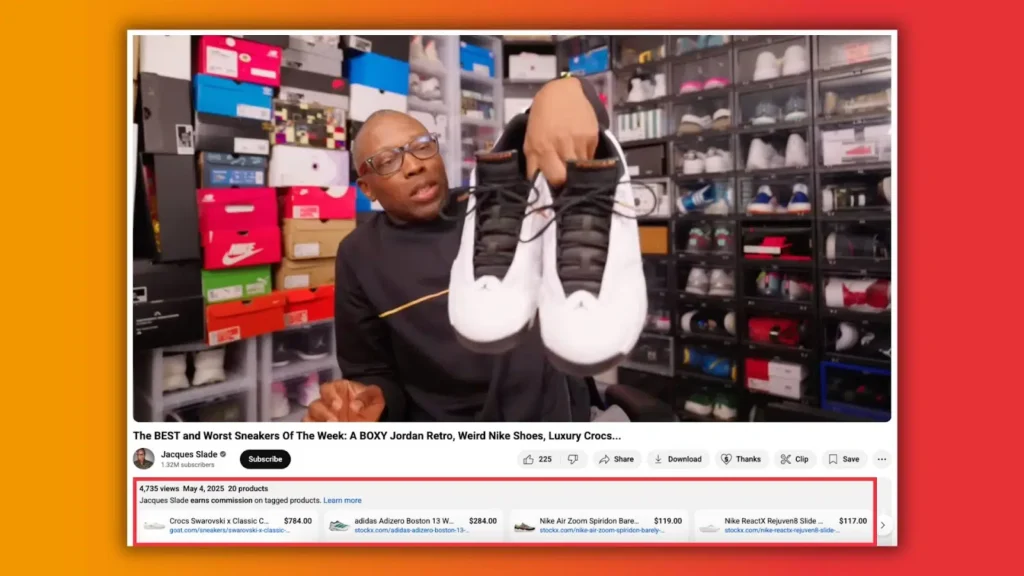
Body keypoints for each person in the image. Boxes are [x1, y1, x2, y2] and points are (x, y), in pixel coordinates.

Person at [303, 75, 610, 423]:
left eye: (422, 145)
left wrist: (562, 90)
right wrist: (371, 404)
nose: (414, 165)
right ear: (367, 188)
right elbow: (371, 371)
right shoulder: (359, 255)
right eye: (388, 161)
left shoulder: (495, 204)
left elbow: (583, 123)